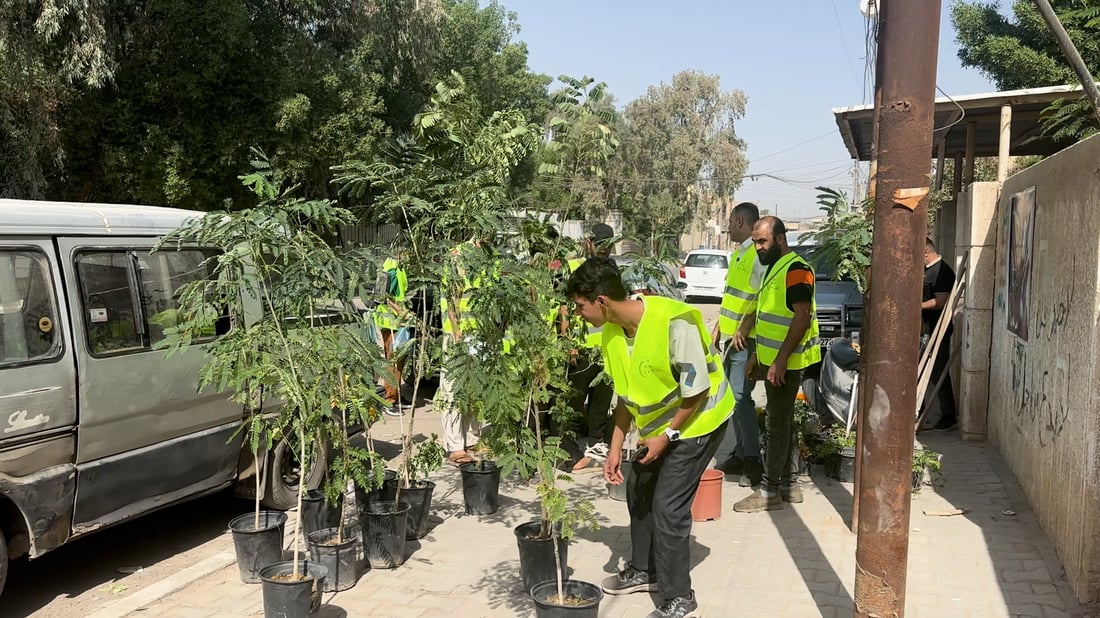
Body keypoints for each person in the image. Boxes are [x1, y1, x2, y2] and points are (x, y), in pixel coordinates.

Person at [565, 257, 733, 618]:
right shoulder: (611, 333)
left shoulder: (674, 322)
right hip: (664, 428)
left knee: (668, 508)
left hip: (701, 420)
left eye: (580, 306)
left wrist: (667, 436)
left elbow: (697, 391)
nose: (577, 313)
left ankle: (680, 597)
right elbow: (625, 397)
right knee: (638, 485)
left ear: (601, 300)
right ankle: (645, 571)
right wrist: (613, 450)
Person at [733, 216, 821, 513]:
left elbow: (801, 317)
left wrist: (781, 360)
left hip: (787, 363)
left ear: (780, 238)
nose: (757, 247)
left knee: (775, 424)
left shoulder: (796, 270)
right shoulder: (776, 267)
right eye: (756, 241)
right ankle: (789, 484)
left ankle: (771, 490)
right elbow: (768, 315)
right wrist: (759, 357)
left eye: (762, 241)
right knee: (782, 422)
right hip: (774, 361)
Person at [710, 202, 767, 487]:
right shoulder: (738, 256)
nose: (728, 227)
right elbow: (731, 296)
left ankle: (753, 460)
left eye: (731, 222)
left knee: (740, 399)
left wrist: (745, 328)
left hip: (747, 341)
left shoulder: (756, 256)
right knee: (734, 398)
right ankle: (742, 452)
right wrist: (719, 327)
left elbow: (759, 297)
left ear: (741, 222)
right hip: (732, 339)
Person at [567, 222, 616, 470]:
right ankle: (569, 446)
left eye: (609, 244)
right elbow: (565, 308)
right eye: (600, 244)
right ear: (589, 243)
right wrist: (570, 343)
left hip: (607, 347)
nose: (605, 249)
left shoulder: (614, 271)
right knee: (575, 401)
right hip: (582, 346)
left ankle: (596, 447)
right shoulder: (577, 269)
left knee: (601, 402)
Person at [922, 238, 957, 431]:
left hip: (939, 329)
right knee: (922, 371)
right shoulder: (927, 270)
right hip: (927, 329)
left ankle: (948, 415)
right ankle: (919, 411)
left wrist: (914, 306)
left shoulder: (942, 271)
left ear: (925, 252)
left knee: (938, 370)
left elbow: (941, 301)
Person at [375, 254, 410, 416]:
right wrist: (402, 312)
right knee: (393, 361)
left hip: (398, 321)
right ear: (399, 252)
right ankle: (389, 401)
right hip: (390, 323)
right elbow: (385, 298)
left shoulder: (399, 268)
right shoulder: (392, 270)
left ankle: (396, 394)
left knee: (399, 360)